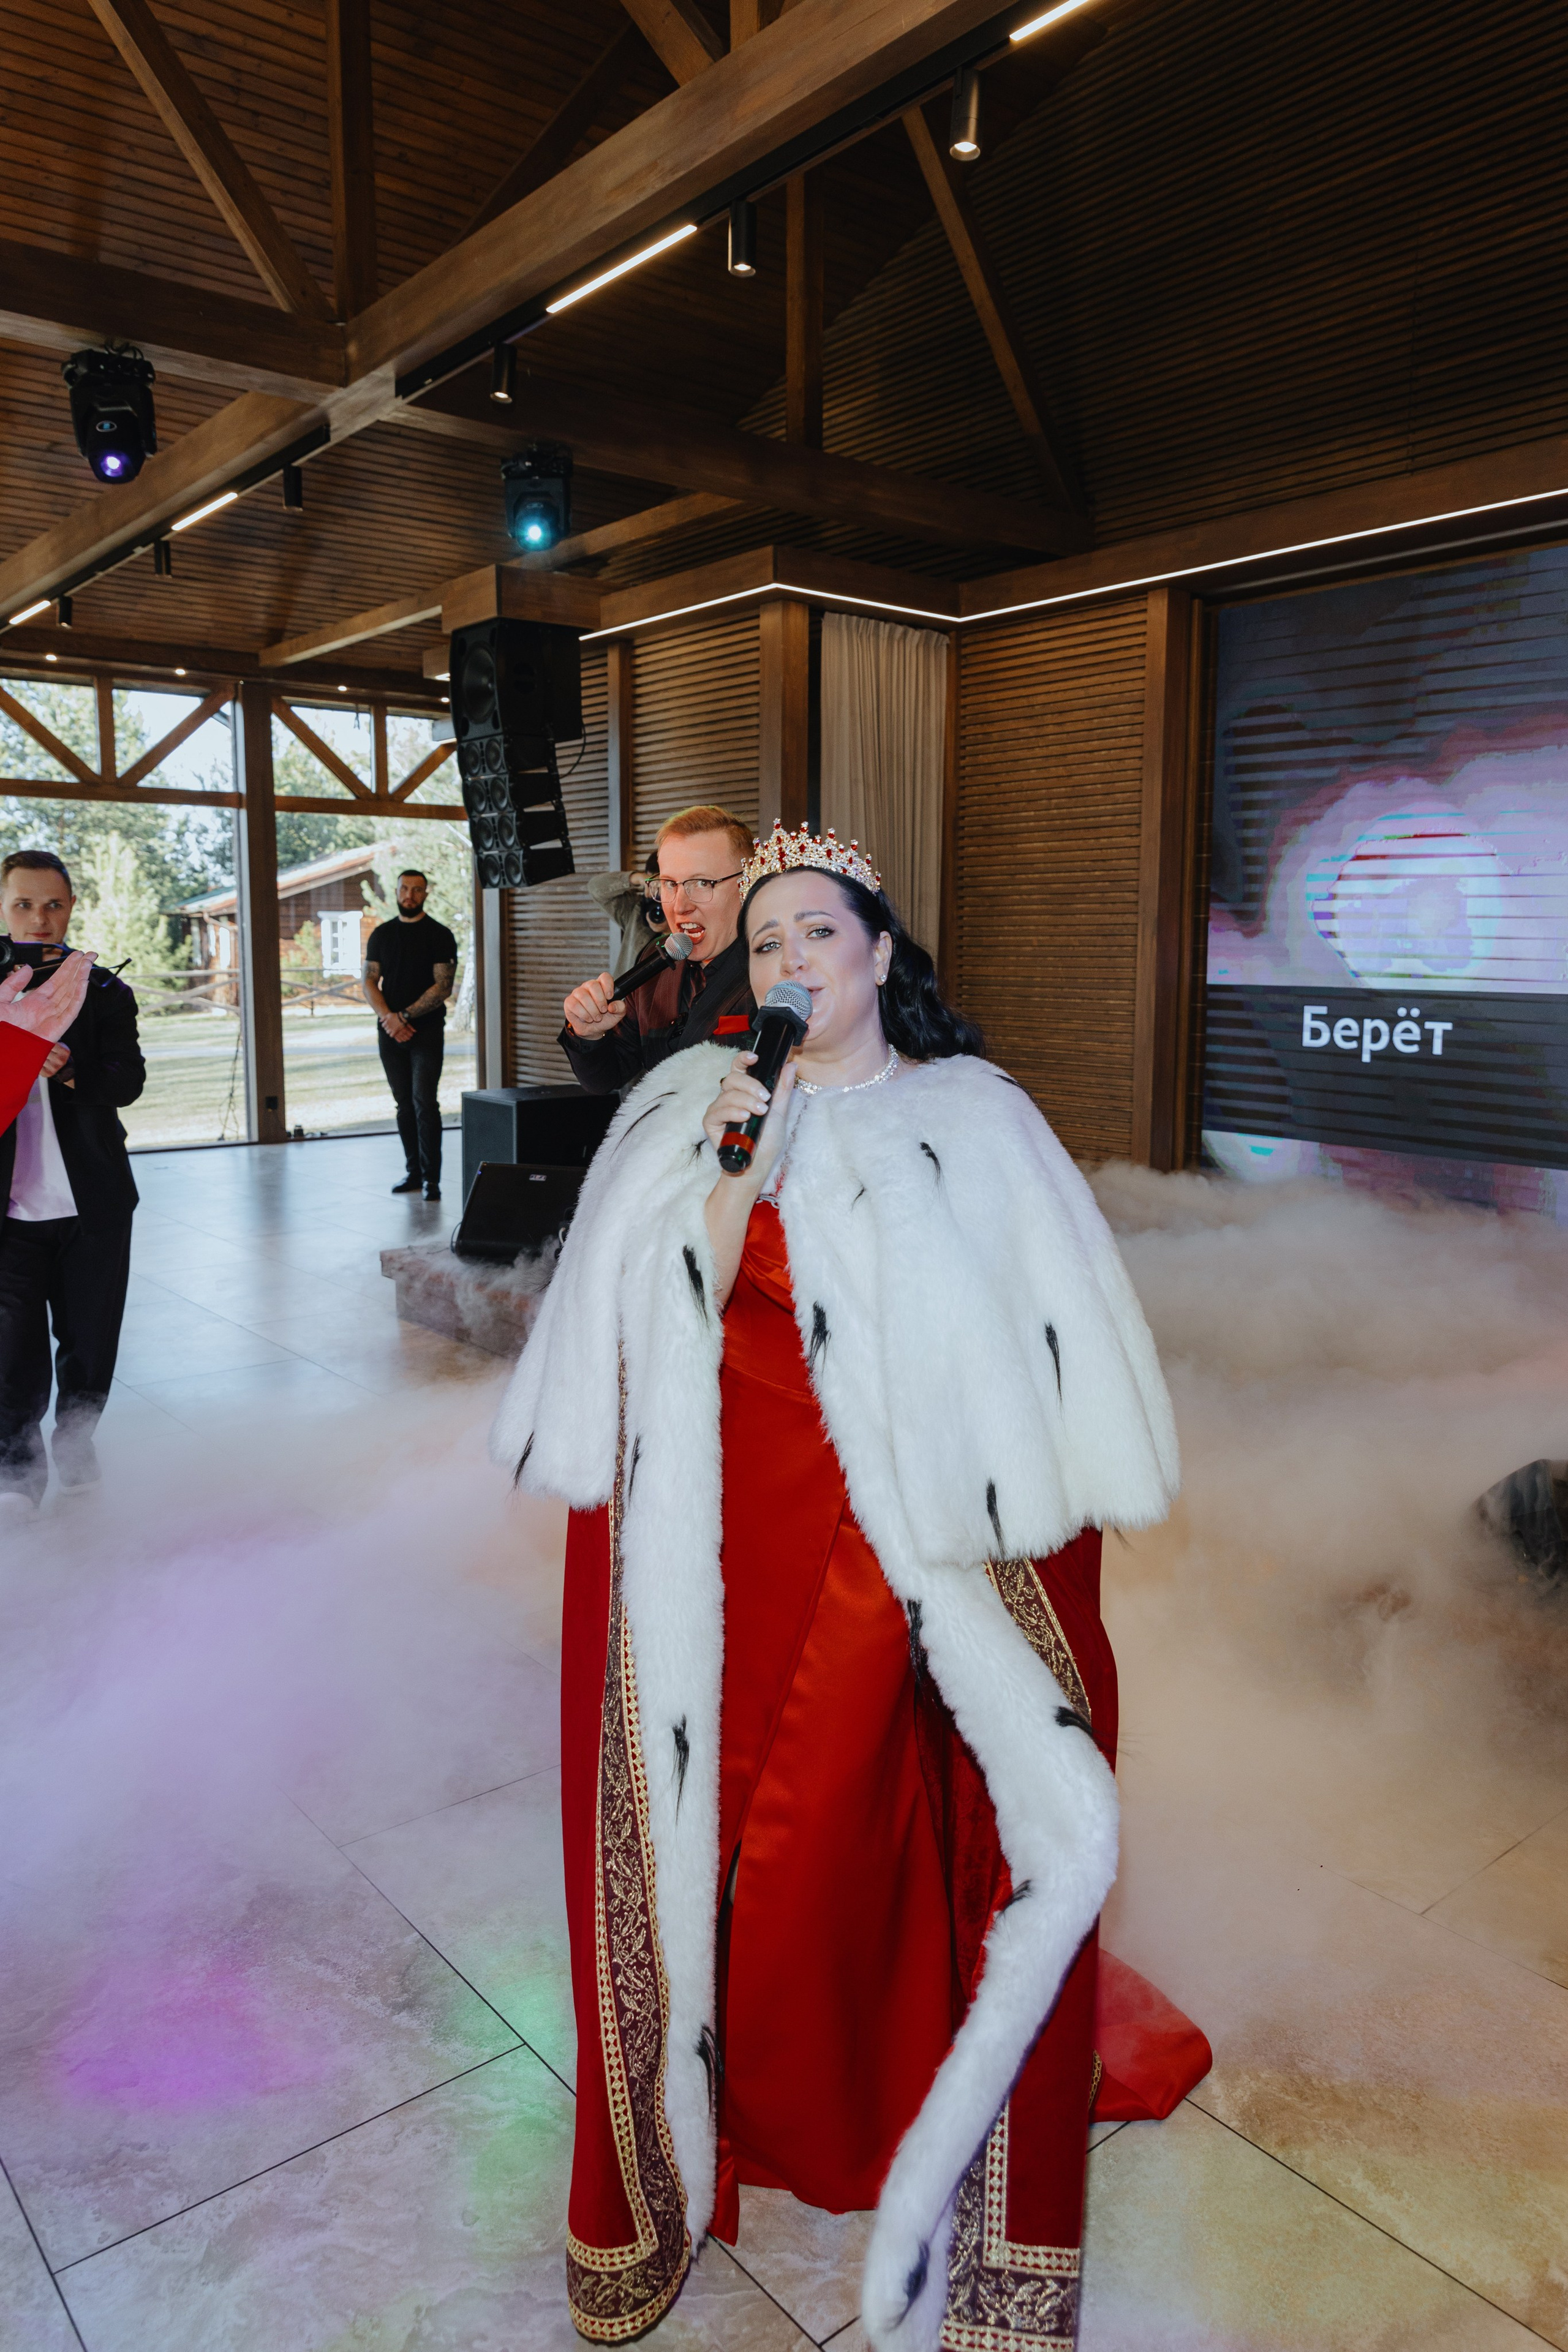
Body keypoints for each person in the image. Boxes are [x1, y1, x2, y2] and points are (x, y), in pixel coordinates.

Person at [496, 823, 1205, 2348]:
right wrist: (734, 1152)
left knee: (847, 1828)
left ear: (880, 952)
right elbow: (644, 1317)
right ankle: (709, 2124)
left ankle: (880, 2104)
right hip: (721, 1535)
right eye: (764, 945)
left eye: (818, 932)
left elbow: (1046, 1355)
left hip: (906, 1554)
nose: (791, 961)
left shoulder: (979, 1120)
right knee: (714, 1847)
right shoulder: (700, 1105)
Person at [0, 851, 145, 1511]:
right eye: (23, 904)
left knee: (89, 1343)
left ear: (72, 905)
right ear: (3, 907)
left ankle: (77, 1441)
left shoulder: (105, 991)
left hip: (93, 1204)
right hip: (10, 1211)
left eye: (52, 904)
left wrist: (67, 1071)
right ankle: (16, 1475)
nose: (38, 918)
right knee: (11, 1354)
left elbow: (128, 1083)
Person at [560, 804, 755, 1092]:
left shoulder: (777, 968)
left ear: (747, 884)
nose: (680, 906)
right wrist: (589, 1035)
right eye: (669, 884)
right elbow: (605, 1080)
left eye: (702, 883)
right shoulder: (657, 956)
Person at [363, 869, 458, 1200]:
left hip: (427, 1031)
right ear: (397, 890)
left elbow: (443, 986)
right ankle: (413, 1174)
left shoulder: (440, 935)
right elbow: (369, 982)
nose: (410, 895)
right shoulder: (382, 934)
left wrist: (403, 1016)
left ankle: (433, 1180)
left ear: (426, 894)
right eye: (405, 888)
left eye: (417, 890)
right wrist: (389, 1019)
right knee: (403, 1105)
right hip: (390, 1031)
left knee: (424, 1103)